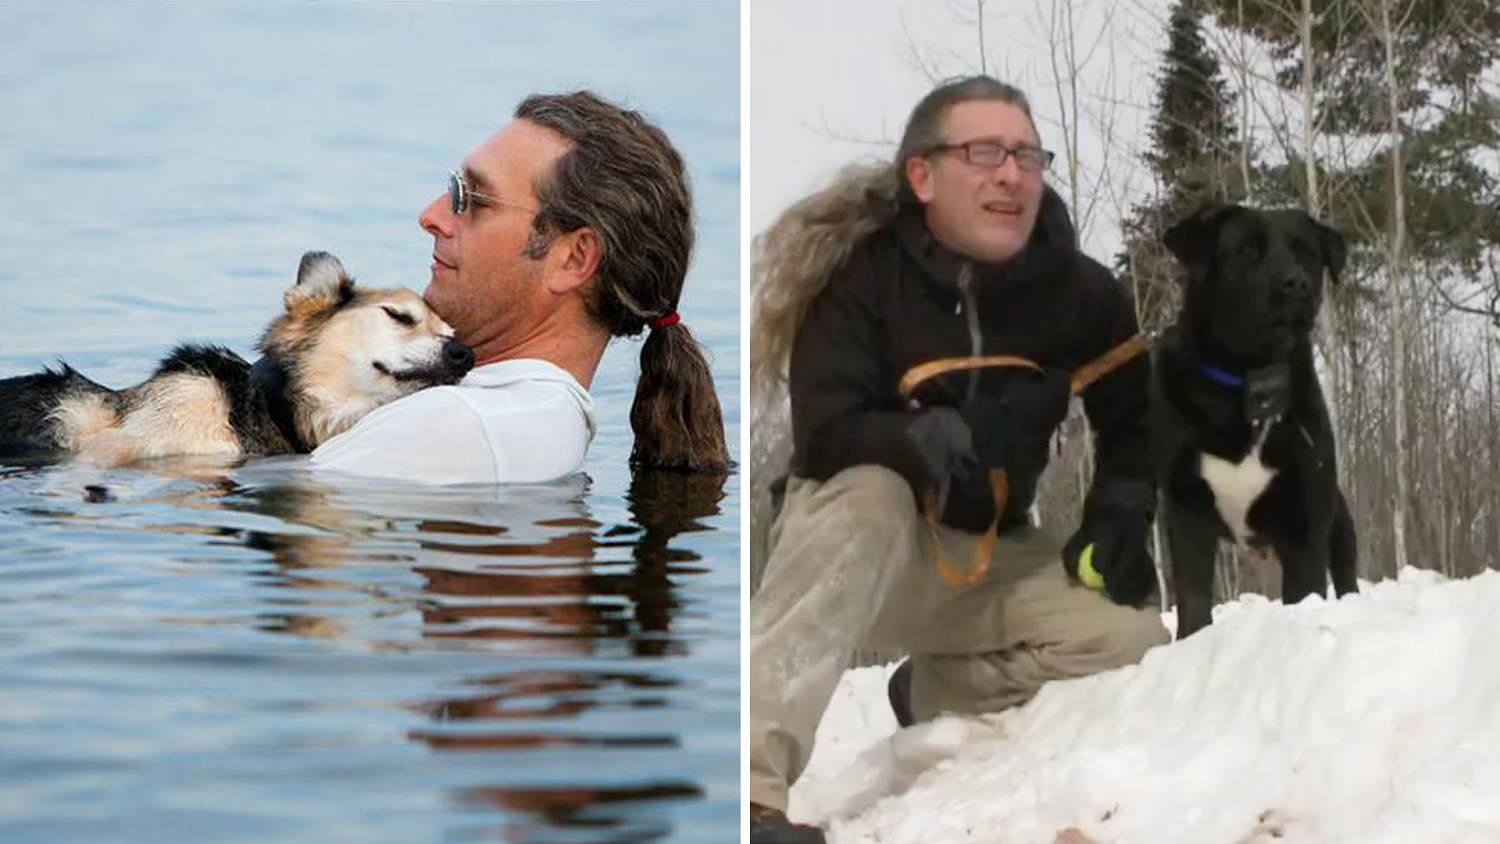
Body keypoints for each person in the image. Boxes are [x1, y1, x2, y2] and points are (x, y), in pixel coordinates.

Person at [747, 76, 1170, 842]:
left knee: (1134, 642)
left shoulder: (1081, 294)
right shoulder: (861, 276)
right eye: (983, 153)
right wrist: (922, 440)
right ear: (923, 175)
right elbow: (825, 430)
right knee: (870, 494)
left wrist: (1120, 513)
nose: (1010, 174)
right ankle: (748, 795)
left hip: (988, 555)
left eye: (1026, 156)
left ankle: (938, 687)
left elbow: (1133, 424)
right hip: (865, 553)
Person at [311, 91, 729, 483]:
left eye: (472, 199)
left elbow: (280, 515)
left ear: (574, 259)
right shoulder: (529, 417)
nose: (432, 215)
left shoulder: (465, 424)